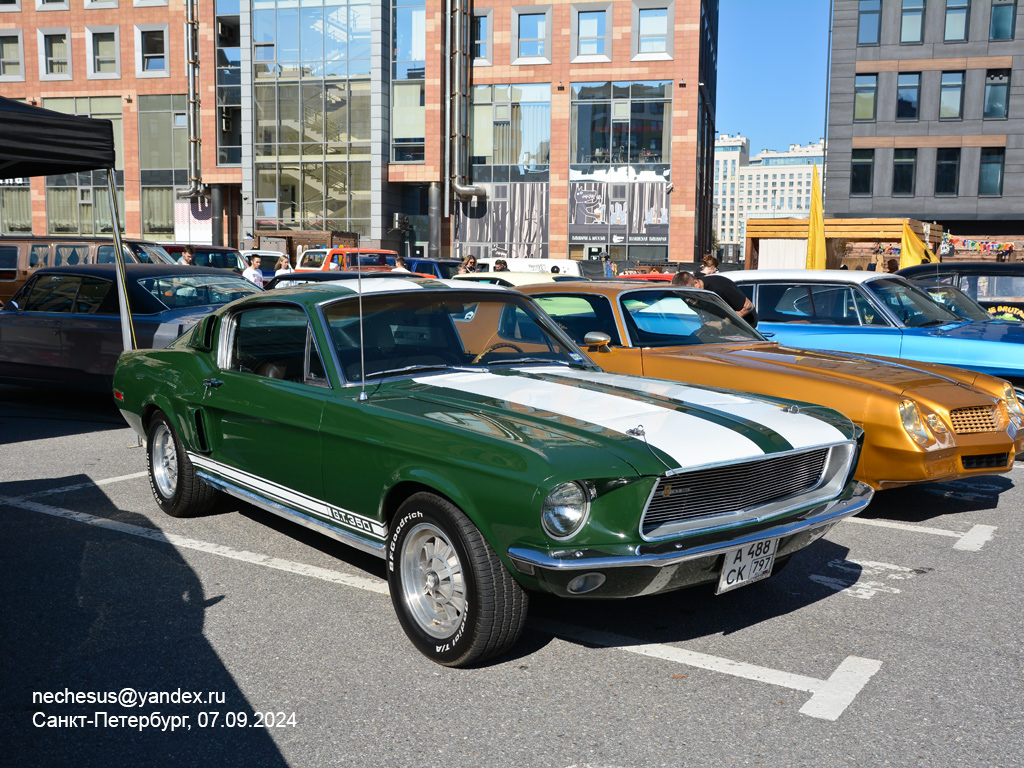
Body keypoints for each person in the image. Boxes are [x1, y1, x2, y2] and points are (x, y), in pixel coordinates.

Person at [673, 270, 758, 327]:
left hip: (744, 326)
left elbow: (748, 307)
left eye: (689, 293)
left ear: (696, 283)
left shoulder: (719, 286)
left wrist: (722, 323)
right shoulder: (688, 294)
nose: (687, 298)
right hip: (717, 325)